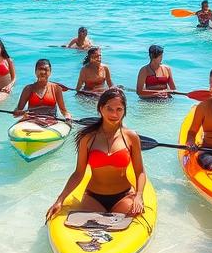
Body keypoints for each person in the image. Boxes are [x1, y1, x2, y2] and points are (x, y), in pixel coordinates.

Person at [45, 88, 145, 218]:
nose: (114, 114)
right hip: (94, 197)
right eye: (109, 108)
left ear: (124, 111)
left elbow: (140, 171)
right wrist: (60, 200)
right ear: (100, 109)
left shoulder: (131, 137)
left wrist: (139, 195)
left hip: (124, 196)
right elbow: (79, 173)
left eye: (119, 109)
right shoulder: (88, 138)